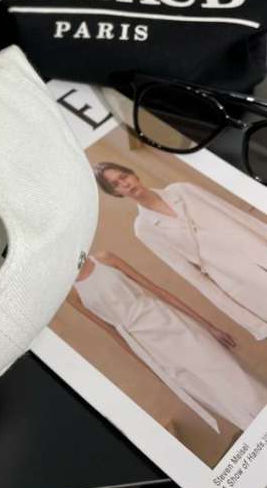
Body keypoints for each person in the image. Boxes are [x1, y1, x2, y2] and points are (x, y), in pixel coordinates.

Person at [70, 252, 267, 432]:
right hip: (147, 345)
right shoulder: (72, 294)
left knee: (227, 369)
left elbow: (157, 290)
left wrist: (209, 326)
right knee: (206, 390)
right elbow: (112, 332)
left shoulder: (104, 258)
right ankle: (257, 435)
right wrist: (152, 369)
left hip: (167, 321)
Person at [93, 162, 267, 340]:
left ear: (133, 174)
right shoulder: (144, 228)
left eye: (124, 177)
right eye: (116, 184)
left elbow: (236, 215)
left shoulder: (182, 190)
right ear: (115, 193)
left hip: (259, 250)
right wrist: (254, 324)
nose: (125, 184)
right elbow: (191, 275)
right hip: (239, 280)